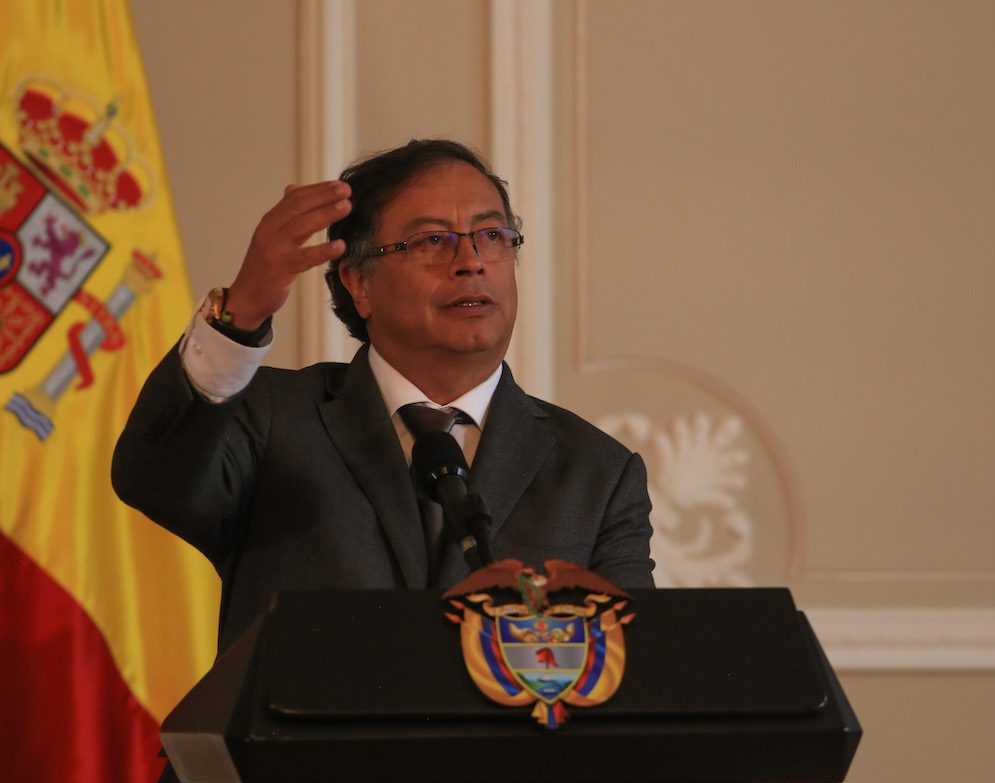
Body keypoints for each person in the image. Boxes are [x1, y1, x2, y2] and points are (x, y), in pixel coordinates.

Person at [113, 137, 654, 669]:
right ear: (358, 284)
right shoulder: (270, 417)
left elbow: (630, 677)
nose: (471, 261)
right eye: (431, 241)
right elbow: (154, 478)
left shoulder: (597, 472)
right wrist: (243, 312)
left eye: (492, 235)